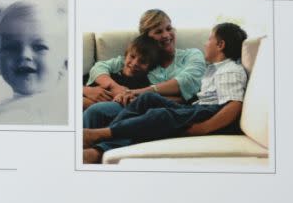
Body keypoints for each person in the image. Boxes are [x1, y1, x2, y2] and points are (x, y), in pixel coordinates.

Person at [84, 23, 248, 163]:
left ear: (220, 45)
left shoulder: (229, 69)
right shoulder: (214, 68)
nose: (205, 43)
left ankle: (102, 136)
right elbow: (102, 67)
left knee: (160, 115)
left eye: (209, 39)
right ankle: (103, 138)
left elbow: (234, 105)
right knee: (147, 99)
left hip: (211, 112)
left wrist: (203, 128)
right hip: (198, 108)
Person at [83, 9, 207, 130]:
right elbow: (99, 67)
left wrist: (136, 93)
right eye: (158, 32)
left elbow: (186, 81)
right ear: (147, 38)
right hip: (141, 108)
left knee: (95, 110)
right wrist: (115, 88)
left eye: (169, 29)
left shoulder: (192, 54)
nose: (166, 35)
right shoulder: (140, 61)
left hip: (173, 109)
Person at [0, 0, 68, 125]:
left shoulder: (64, 105)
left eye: (40, 47)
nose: (24, 55)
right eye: (12, 48)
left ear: (65, 63)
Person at [82, 35, 162, 109]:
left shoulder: (142, 85)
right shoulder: (109, 72)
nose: (134, 64)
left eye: (142, 61)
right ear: (126, 55)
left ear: (150, 67)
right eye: (132, 56)